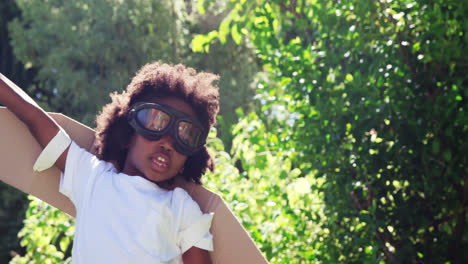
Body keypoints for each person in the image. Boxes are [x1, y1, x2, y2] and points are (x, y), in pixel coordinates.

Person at [0, 62, 220, 264]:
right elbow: (33, 116)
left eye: (186, 135)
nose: (168, 143)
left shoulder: (181, 209)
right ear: (128, 130)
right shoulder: (92, 177)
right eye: (156, 121)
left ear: (187, 159)